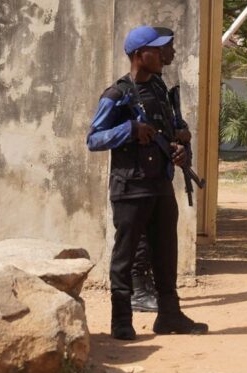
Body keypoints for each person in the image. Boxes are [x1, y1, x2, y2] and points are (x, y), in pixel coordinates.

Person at [87, 25, 208, 340]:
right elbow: (93, 138)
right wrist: (128, 129)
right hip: (129, 188)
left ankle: (169, 316)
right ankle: (121, 320)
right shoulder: (116, 94)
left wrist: (179, 149)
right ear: (140, 55)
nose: (165, 55)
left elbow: (171, 129)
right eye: (158, 50)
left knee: (166, 253)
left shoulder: (158, 88)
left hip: (159, 185)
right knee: (125, 256)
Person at [129, 39, 192, 314]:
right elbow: (98, 135)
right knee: (140, 236)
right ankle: (136, 291)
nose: (172, 53)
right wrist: (133, 130)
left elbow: (170, 123)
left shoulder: (160, 86)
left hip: (160, 172)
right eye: (166, 48)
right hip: (139, 175)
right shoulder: (128, 90)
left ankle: (156, 293)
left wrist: (181, 141)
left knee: (160, 237)